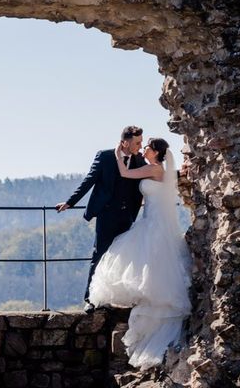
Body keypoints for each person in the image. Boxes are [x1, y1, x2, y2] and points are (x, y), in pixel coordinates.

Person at [88, 138, 192, 370]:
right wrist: (181, 172)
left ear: (154, 152)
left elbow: (124, 173)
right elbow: (168, 179)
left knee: (141, 260)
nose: (143, 149)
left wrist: (117, 152)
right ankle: (152, 301)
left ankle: (152, 304)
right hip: (154, 222)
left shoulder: (152, 168)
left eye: (146, 147)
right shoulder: (161, 170)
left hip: (152, 224)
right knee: (153, 264)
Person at [55, 126, 146, 314]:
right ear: (125, 142)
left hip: (127, 215)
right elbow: (89, 180)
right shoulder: (104, 156)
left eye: (141, 142)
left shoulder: (139, 159)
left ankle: (119, 297)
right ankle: (90, 299)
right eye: (137, 142)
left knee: (125, 256)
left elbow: (152, 174)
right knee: (100, 253)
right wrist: (71, 202)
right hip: (106, 214)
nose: (140, 146)